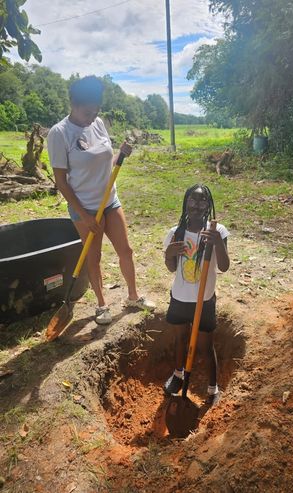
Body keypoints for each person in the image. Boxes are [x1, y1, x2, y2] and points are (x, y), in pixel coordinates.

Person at [47, 75, 155, 325]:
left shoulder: (98, 123)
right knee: (93, 258)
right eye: (87, 111)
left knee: (125, 250)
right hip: (84, 208)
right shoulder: (59, 133)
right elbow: (61, 182)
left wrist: (121, 156)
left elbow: (106, 160)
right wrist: (85, 216)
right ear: (73, 103)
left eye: (96, 110)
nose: (92, 116)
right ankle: (101, 304)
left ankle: (133, 296)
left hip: (110, 201)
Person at [163, 184, 230, 405]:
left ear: (209, 206)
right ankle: (178, 374)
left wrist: (217, 242)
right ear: (185, 202)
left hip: (205, 300)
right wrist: (169, 254)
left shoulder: (217, 232)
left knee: (205, 344)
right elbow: (172, 267)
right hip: (180, 298)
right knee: (180, 339)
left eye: (203, 201)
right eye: (193, 199)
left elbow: (224, 266)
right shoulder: (176, 233)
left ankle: (213, 387)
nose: (197, 205)